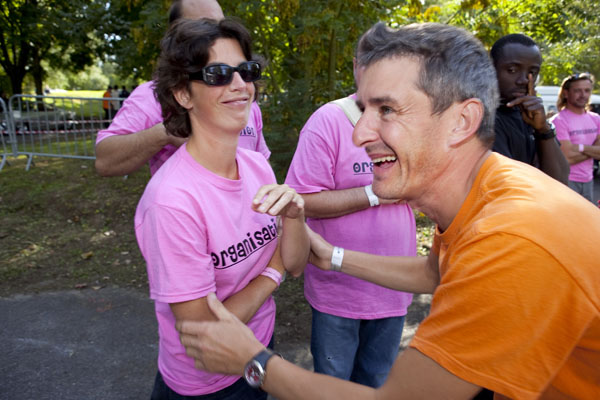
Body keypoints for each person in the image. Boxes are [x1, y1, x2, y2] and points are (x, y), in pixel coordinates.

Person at [174, 22, 600, 399]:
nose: (360, 133)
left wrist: (253, 360)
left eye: (387, 110)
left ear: (461, 121)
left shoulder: (512, 238)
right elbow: (439, 272)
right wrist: (332, 257)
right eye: (363, 109)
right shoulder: (488, 187)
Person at [136, 18, 309, 399]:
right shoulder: (172, 201)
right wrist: (273, 272)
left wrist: (295, 216)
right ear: (183, 94)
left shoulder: (256, 165)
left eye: (246, 71)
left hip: (259, 345)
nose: (239, 85)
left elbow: (297, 261)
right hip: (206, 384)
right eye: (217, 74)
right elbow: (205, 334)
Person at [283, 35, 416, 387]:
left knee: (376, 382)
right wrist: (374, 194)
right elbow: (301, 201)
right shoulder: (328, 120)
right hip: (339, 291)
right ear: (357, 68)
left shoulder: (413, 120)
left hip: (394, 285)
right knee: (333, 386)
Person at [94, 0, 270, 177]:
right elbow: (105, 161)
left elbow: (261, 163)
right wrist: (166, 132)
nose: (216, 34)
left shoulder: (241, 90)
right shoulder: (150, 95)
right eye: (203, 25)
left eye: (219, 24)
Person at [490, 34, 569, 184]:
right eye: (512, 70)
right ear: (490, 68)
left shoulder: (528, 114)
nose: (524, 80)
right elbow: (509, 184)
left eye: (532, 72)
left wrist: (543, 130)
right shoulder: (482, 117)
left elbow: (560, 181)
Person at [552, 72, 600, 202]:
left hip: (589, 181)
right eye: (577, 91)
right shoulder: (559, 121)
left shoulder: (596, 119)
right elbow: (567, 159)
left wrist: (578, 147)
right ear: (566, 93)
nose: (583, 95)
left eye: (587, 91)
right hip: (567, 181)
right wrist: (592, 151)